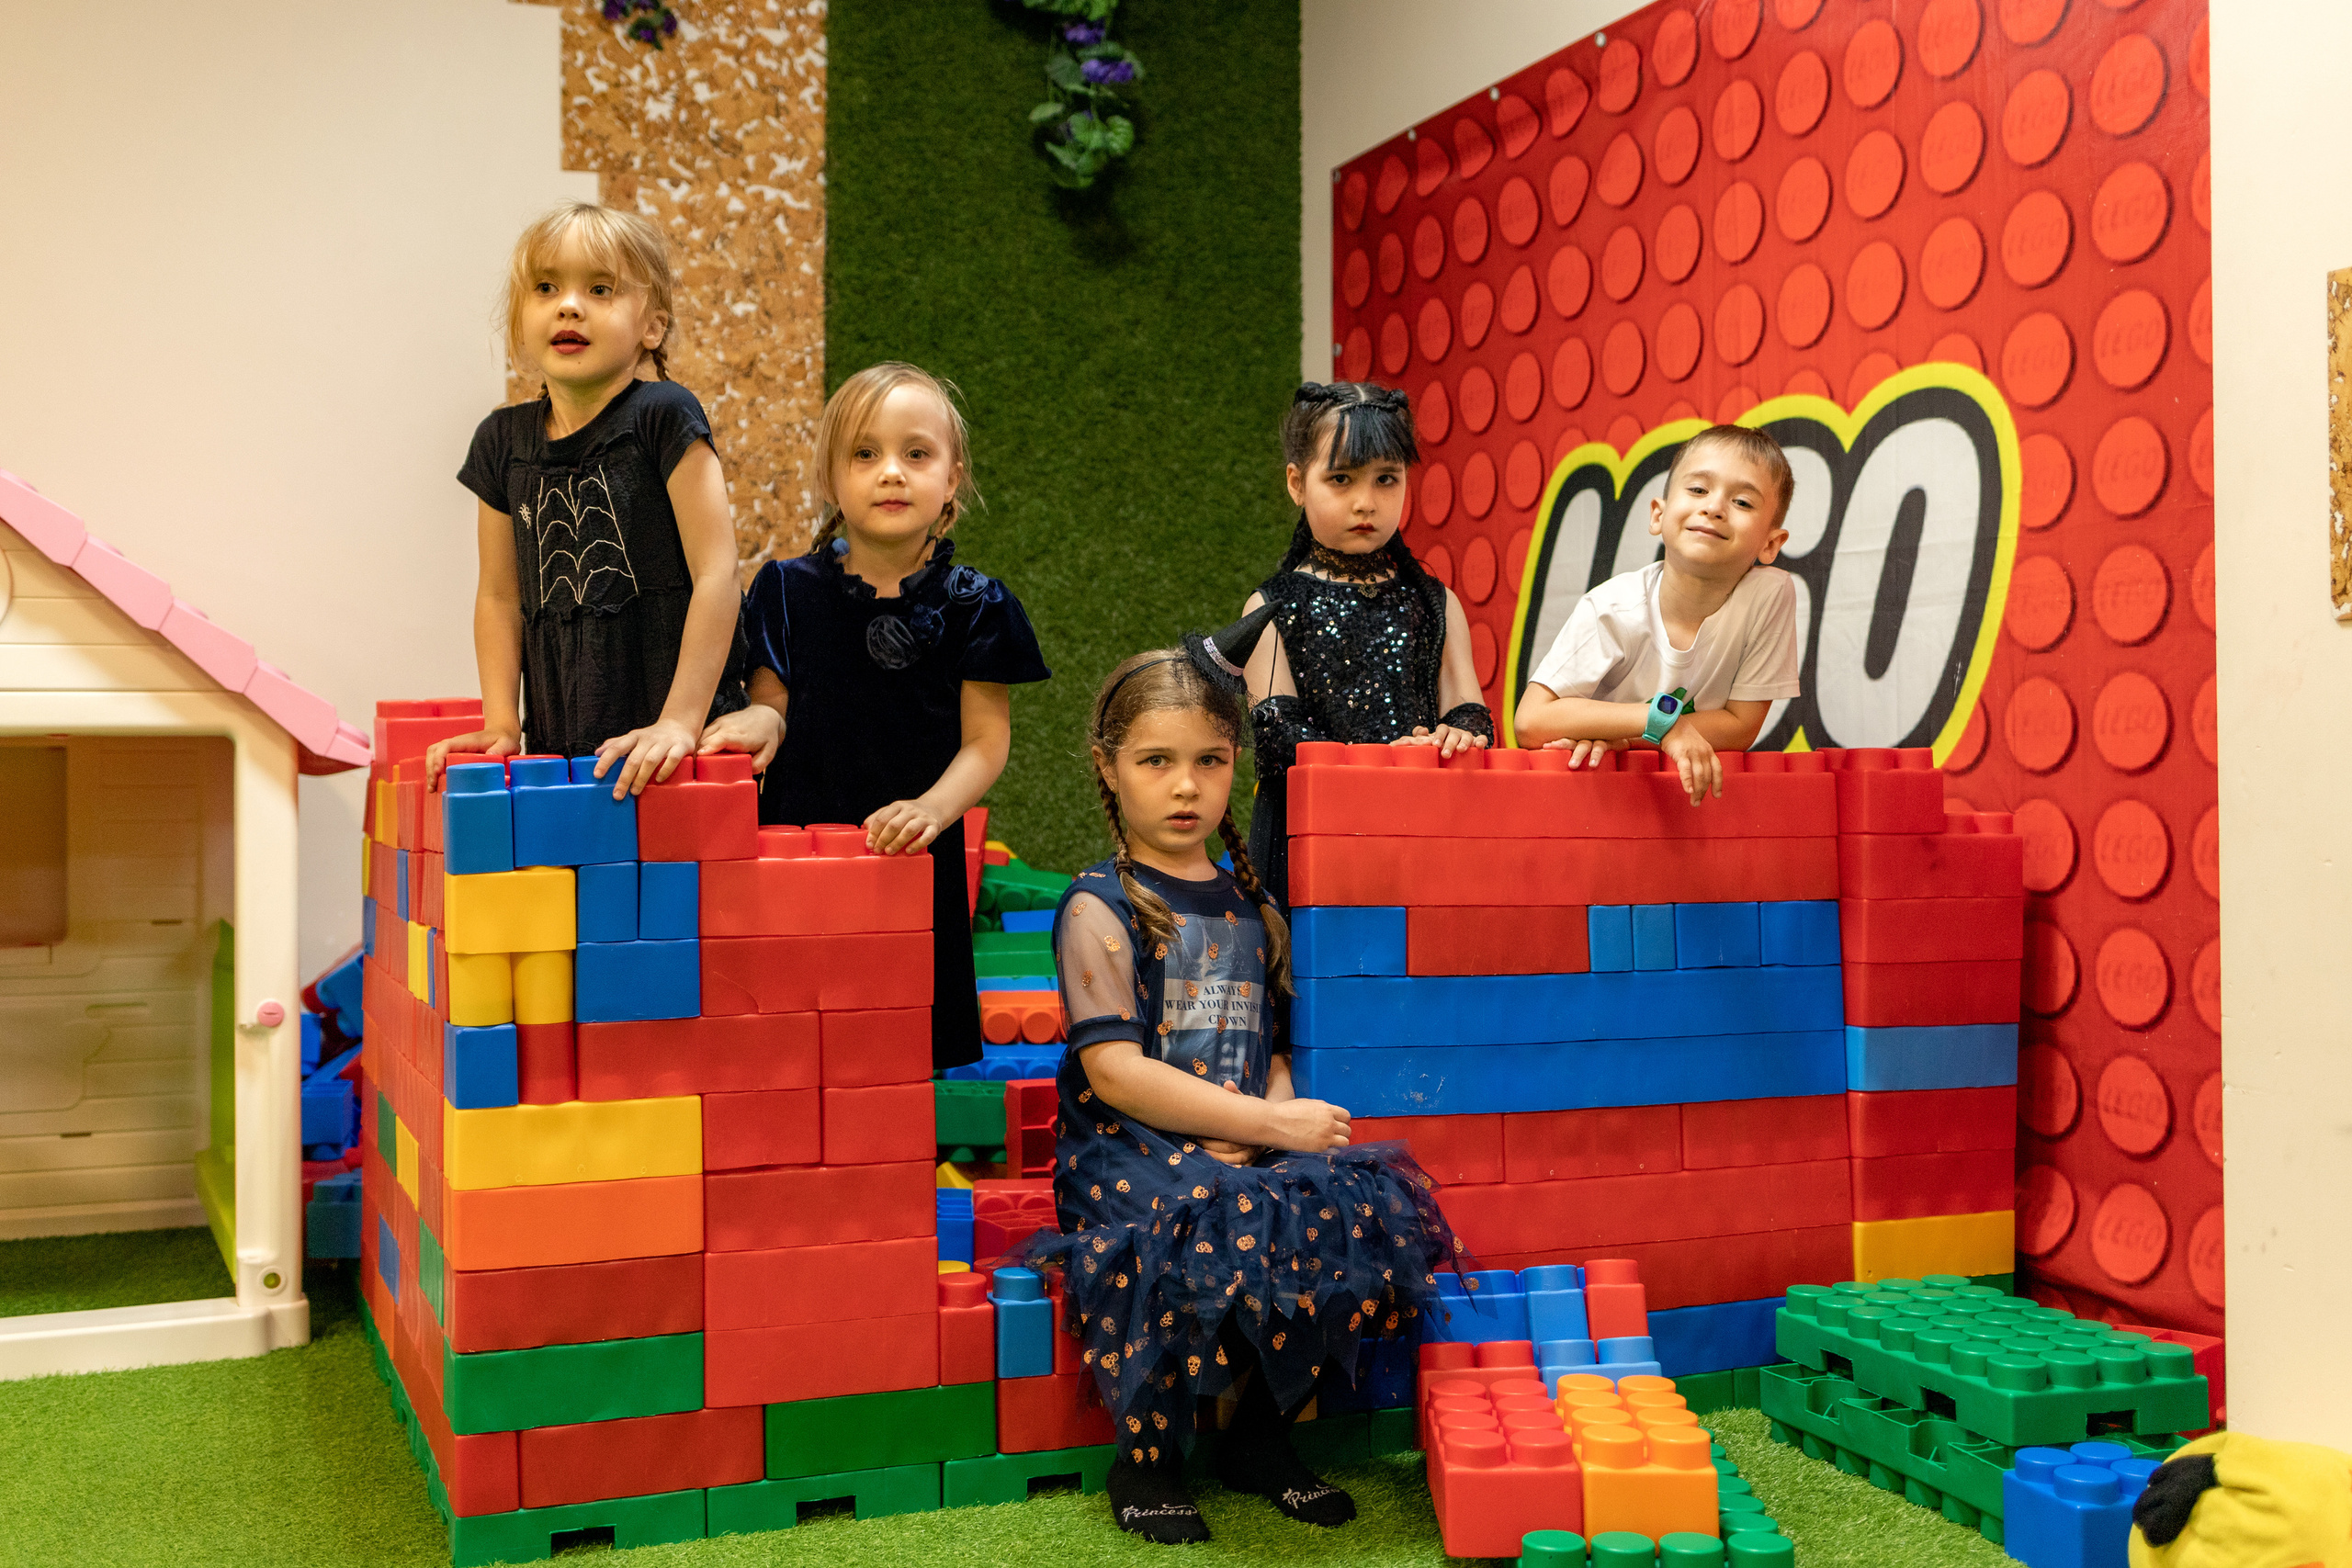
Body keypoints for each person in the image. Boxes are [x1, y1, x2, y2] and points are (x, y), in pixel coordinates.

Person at [1027, 628, 1463, 1545]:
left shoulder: (1253, 908)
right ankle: (1146, 1458)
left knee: (1340, 1211)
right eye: (1156, 760)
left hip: (1244, 1136)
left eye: (1209, 761)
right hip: (1128, 1152)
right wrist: (1259, 1122)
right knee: (1194, 1224)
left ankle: (1259, 1442)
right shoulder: (1100, 905)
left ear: (1235, 765)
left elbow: (1265, 1046)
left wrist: (1277, 1119)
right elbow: (1114, 1070)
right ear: (1108, 767)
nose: (1185, 785)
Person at [700, 363, 1048, 1071]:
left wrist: (932, 809)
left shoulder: (978, 605)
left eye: (916, 453)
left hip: (911, 856)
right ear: (831, 479)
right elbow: (772, 703)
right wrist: (760, 721)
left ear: (952, 478)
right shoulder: (784, 588)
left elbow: (986, 742)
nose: (891, 471)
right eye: (865, 453)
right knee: (792, 1047)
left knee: (899, 1059)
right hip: (800, 857)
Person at [428, 200, 747, 792]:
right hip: (565, 749)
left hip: (681, 751)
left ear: (652, 327)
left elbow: (718, 572)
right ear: (520, 318)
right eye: (546, 288)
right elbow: (499, 595)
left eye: (600, 289)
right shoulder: (501, 441)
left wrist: (679, 721)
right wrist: (502, 723)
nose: (569, 305)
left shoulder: (664, 415)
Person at [1240, 382, 1493, 908]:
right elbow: (1279, 738)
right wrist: (1380, 763)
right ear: (1296, 483)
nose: (1365, 502)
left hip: (1420, 835)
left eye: (1386, 479)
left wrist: (1454, 739)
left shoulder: (1437, 603)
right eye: (1341, 479)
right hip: (1311, 845)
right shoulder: (1270, 607)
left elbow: (1472, 716)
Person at [1513, 423, 1803, 806]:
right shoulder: (1613, 608)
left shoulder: (1770, 595)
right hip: (1586, 792)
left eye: (1742, 502)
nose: (1714, 508)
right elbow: (1531, 721)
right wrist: (1663, 725)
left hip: (1673, 800)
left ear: (1771, 543)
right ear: (1657, 516)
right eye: (1698, 490)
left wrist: (1636, 736)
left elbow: (1741, 726)